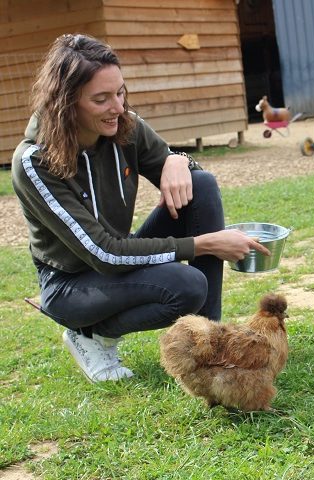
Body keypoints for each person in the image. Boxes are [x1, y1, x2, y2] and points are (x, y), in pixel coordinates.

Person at [12, 34, 270, 383]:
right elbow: (103, 253)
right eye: (101, 99)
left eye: (120, 92)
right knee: (188, 285)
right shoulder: (34, 161)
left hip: (117, 258)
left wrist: (178, 161)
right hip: (70, 283)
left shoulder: (125, 125)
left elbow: (185, 173)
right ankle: (88, 334)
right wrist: (206, 244)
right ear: (67, 103)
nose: (117, 107)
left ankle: (210, 343)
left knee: (203, 185)